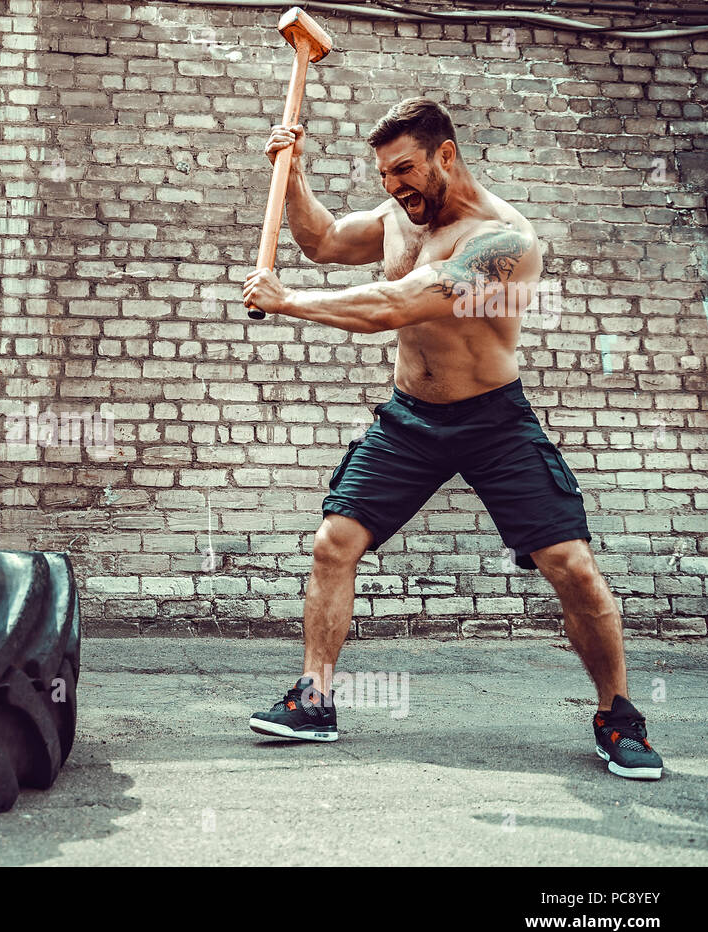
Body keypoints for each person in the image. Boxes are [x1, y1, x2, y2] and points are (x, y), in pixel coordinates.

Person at [241, 97, 661, 780]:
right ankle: (313, 699)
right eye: (383, 174)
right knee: (334, 543)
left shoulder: (503, 241)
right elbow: (319, 242)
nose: (394, 186)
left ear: (445, 154)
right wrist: (293, 177)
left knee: (572, 566)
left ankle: (619, 716)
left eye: (403, 169)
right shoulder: (393, 220)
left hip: (494, 421)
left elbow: (397, 306)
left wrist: (288, 302)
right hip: (412, 419)